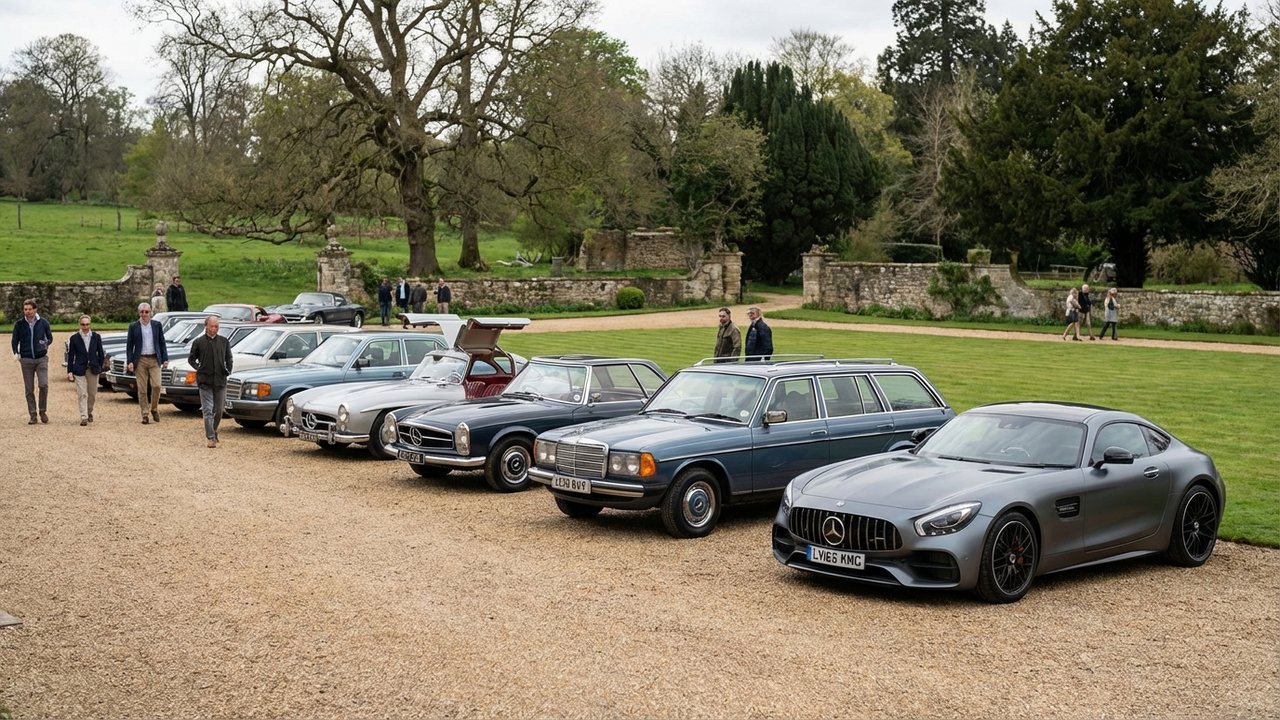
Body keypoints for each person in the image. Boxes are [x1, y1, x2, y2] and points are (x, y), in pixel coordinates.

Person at [188, 315, 233, 448]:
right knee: (207, 410)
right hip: (205, 381)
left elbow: (229, 358)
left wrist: (228, 370)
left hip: (220, 381)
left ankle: (214, 430)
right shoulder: (198, 342)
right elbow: (191, 359)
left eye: (216, 326)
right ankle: (211, 437)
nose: (214, 329)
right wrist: (199, 368)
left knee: (219, 410)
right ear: (206, 326)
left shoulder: (224, 341)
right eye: (212, 326)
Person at [11, 298, 54, 424]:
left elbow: (50, 338)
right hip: (26, 359)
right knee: (29, 389)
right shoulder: (19, 324)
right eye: (25, 309)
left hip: (41, 358)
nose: (28, 312)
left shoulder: (44, 323)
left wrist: (45, 343)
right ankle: (33, 414)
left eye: (30, 309)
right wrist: (16, 353)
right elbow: (14, 340)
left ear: (35, 309)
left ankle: (42, 411)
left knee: (43, 385)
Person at [126, 302, 169, 424]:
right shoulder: (133, 326)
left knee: (157, 385)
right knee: (142, 389)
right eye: (142, 312)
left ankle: (154, 408)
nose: (144, 314)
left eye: (146, 312)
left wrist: (165, 358)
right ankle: (145, 413)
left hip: (155, 359)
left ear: (150, 312)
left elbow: (162, 343)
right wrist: (130, 361)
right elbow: (129, 346)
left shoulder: (156, 325)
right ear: (139, 313)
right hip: (140, 360)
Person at [66, 314, 105, 426]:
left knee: (92, 394)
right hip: (79, 369)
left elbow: (101, 353)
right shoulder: (74, 338)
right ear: (80, 325)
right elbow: (71, 355)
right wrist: (70, 371)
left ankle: (89, 411)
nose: (85, 327)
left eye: (87, 324)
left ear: (90, 324)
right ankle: (84, 416)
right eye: (83, 324)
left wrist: (100, 366)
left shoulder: (96, 337)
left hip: (93, 368)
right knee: (82, 393)